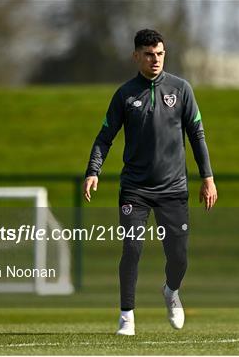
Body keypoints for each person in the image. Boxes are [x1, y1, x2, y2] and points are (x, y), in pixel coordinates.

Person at [84, 29, 217, 336]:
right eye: (148, 54)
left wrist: (207, 178)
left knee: (178, 257)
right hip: (135, 189)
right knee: (131, 248)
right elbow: (105, 138)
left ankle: (171, 291)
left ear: (164, 54)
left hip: (173, 189)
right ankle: (126, 317)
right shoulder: (124, 94)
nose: (154, 59)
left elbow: (197, 135)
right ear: (136, 56)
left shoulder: (181, 89)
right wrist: (93, 171)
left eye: (159, 53)